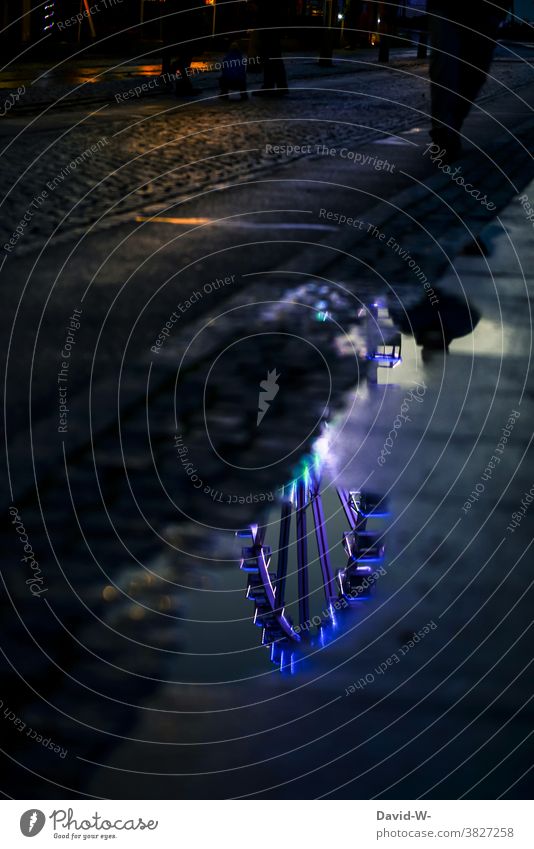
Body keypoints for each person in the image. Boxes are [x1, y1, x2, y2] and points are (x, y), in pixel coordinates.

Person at [427, 1, 511, 160]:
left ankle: (452, 124)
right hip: (445, 6)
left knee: (475, 73)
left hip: (486, 12)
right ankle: (443, 131)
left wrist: (499, 12)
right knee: (444, 66)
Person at [161, 0, 207, 96]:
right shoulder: (194, 12)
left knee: (182, 59)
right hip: (184, 31)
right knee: (185, 59)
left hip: (178, 30)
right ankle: (180, 82)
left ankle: (172, 77)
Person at [250, 0, 288, 96]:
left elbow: (263, 10)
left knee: (270, 57)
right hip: (272, 27)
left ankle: (271, 86)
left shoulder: (266, 7)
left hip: (268, 27)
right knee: (274, 57)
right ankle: (279, 86)